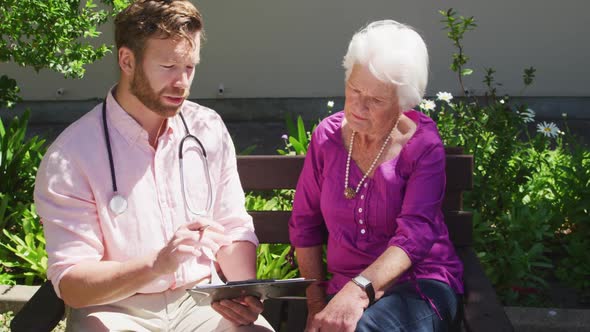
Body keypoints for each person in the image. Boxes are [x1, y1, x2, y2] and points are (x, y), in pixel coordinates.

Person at [34, 1, 274, 331]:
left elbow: (232, 225)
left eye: (189, 68)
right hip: (115, 308)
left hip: (203, 300)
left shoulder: (208, 129)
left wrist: (242, 290)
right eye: (168, 66)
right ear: (127, 60)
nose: (182, 82)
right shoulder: (71, 155)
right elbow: (73, 283)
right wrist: (156, 264)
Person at [288, 20, 464, 332]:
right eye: (354, 89)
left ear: (403, 102)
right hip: (342, 289)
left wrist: (357, 293)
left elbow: (414, 236)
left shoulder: (421, 145)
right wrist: (315, 304)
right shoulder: (326, 139)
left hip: (418, 284)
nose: (358, 105)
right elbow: (305, 225)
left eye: (377, 99)